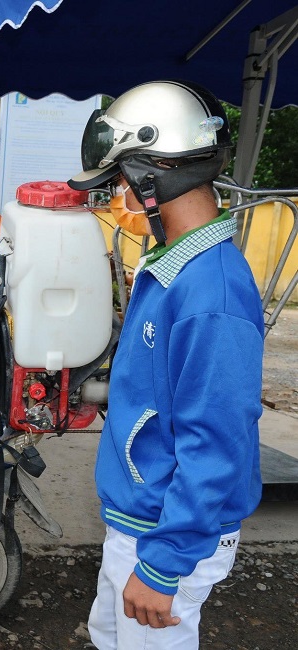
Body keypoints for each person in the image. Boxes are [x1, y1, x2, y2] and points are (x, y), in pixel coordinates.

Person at [67, 80, 264, 650]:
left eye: (120, 183)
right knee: (110, 638)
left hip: (165, 533)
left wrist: (164, 565)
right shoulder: (173, 266)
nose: (115, 199)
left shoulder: (212, 292)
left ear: (154, 178)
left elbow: (218, 439)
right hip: (142, 518)